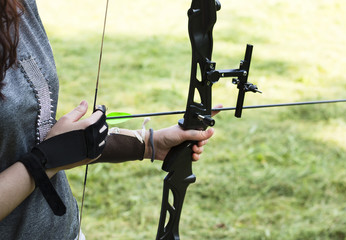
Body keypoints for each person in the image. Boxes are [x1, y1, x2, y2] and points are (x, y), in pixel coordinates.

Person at [0, 0, 219, 239]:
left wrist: (148, 143)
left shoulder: (19, 6)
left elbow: (33, 136)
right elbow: (49, 152)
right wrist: (47, 159)